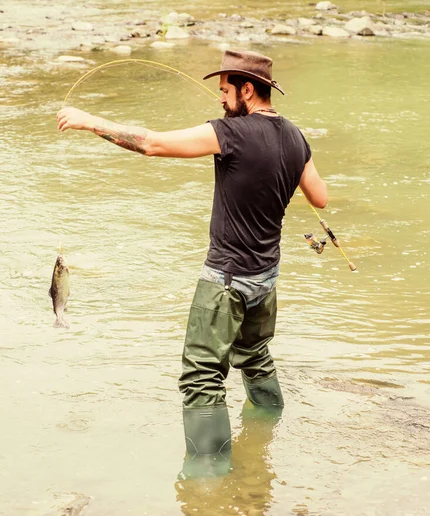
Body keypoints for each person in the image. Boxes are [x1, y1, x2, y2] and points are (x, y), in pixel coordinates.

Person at [56, 49, 327, 477]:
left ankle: (208, 477)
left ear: (248, 90)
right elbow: (320, 198)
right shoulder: (296, 136)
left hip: (226, 280)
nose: (220, 100)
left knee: (201, 378)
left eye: (224, 91)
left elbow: (152, 144)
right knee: (255, 354)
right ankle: (267, 428)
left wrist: (89, 121)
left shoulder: (230, 133)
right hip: (266, 279)